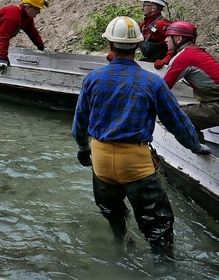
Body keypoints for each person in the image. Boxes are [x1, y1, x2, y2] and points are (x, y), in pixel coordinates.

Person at [72, 16, 210, 263]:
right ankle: (163, 267)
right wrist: (196, 146)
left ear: (110, 46)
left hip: (101, 160)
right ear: (137, 47)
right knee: (158, 224)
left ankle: (120, 244)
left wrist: (83, 148)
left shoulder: (92, 79)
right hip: (134, 163)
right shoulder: (152, 82)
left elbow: (80, 120)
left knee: (113, 212)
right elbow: (177, 122)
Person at [163, 21, 219, 132]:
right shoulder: (198, 53)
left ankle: (194, 149)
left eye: (168, 36)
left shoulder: (184, 57)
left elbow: (162, 88)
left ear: (178, 39)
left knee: (177, 116)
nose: (165, 39)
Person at [0, 0, 48, 71]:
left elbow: (32, 32)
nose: (39, 12)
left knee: (6, 66)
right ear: (28, 8)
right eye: (37, 9)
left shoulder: (27, 16)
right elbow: (3, 37)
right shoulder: (12, 16)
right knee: (4, 69)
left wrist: (41, 47)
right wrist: (2, 59)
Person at [139, 0, 174, 68]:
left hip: (162, 65)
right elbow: (133, 41)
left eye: (144, 5)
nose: (142, 8)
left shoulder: (162, 24)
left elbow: (175, 43)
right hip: (149, 61)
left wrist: (166, 60)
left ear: (153, 8)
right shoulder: (144, 24)